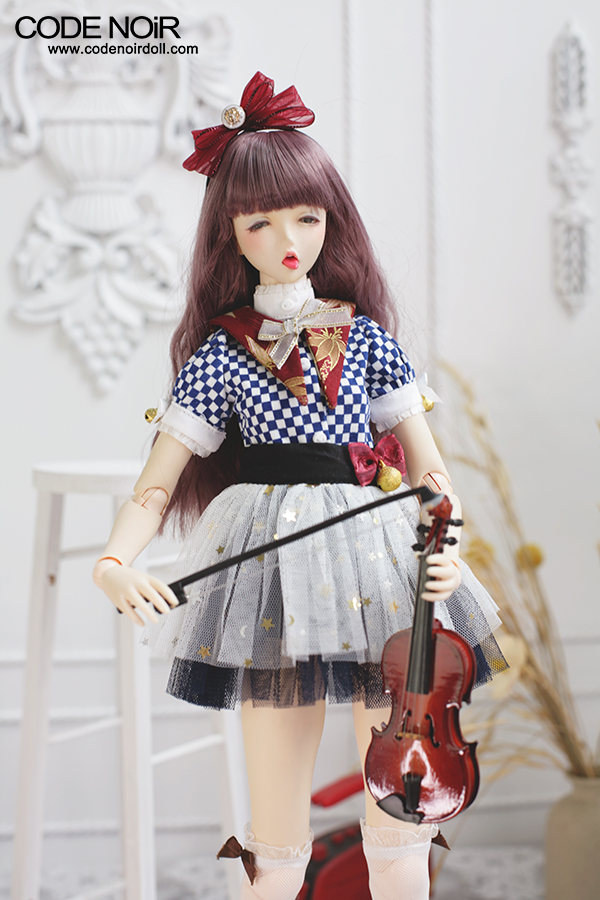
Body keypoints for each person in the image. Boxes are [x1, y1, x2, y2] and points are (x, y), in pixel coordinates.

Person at [93, 73, 504, 900]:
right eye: (261, 222)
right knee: (274, 841)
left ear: (331, 220)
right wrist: (114, 560)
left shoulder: (368, 339)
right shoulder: (221, 354)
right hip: (270, 581)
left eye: (306, 217)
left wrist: (447, 543)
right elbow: (154, 487)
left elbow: (430, 473)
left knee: (401, 823)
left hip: (381, 569)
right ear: (229, 236)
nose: (288, 238)